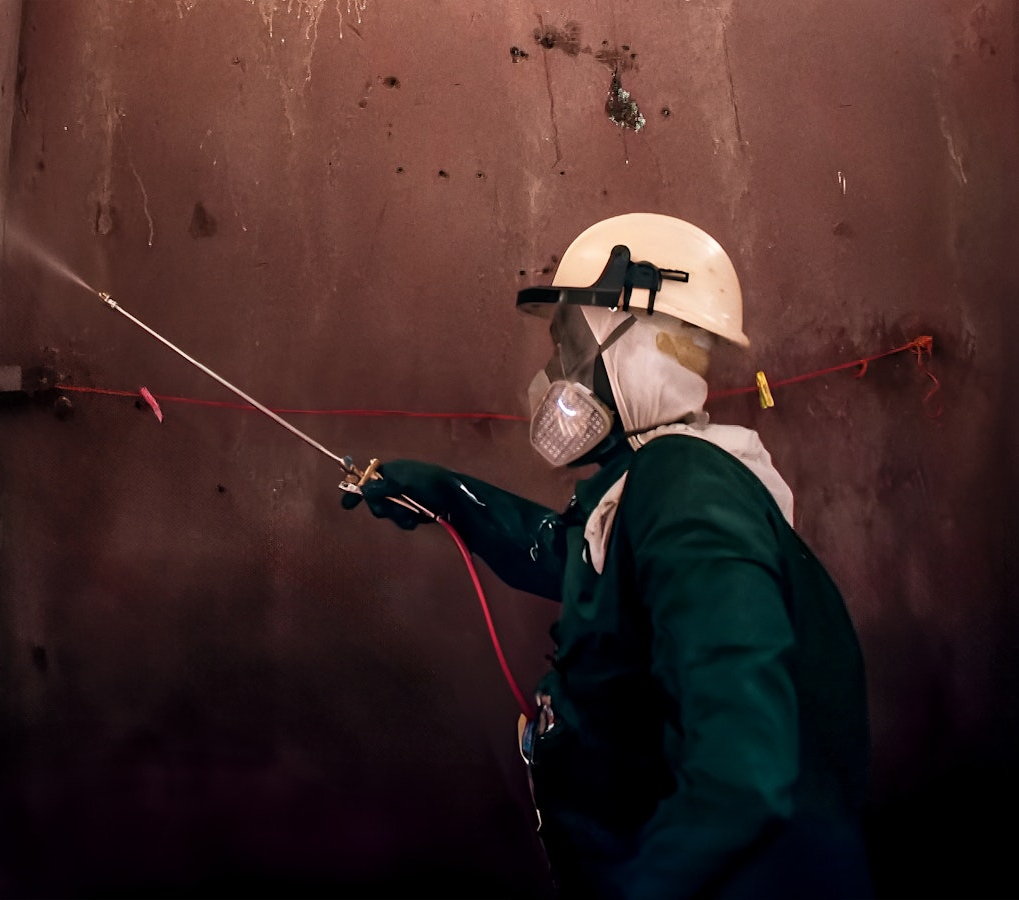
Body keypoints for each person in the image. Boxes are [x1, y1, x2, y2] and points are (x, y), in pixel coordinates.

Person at [343, 213, 872, 899]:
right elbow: (560, 554)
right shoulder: (656, 488)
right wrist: (446, 495)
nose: (552, 378)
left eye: (568, 347)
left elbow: (742, 775)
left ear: (638, 348)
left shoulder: (687, 485)